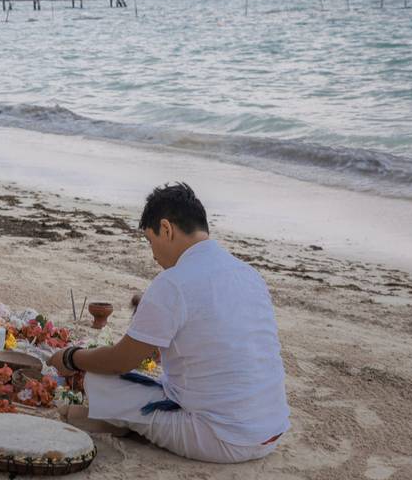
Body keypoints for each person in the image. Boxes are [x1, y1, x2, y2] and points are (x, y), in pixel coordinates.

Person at [50, 182, 290, 464]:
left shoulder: (173, 282)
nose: (153, 255)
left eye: (151, 241)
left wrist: (70, 357)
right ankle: (127, 422)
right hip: (271, 431)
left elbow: (119, 361)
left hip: (220, 437)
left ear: (166, 228)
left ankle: (122, 422)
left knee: (102, 380)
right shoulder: (248, 274)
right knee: (155, 384)